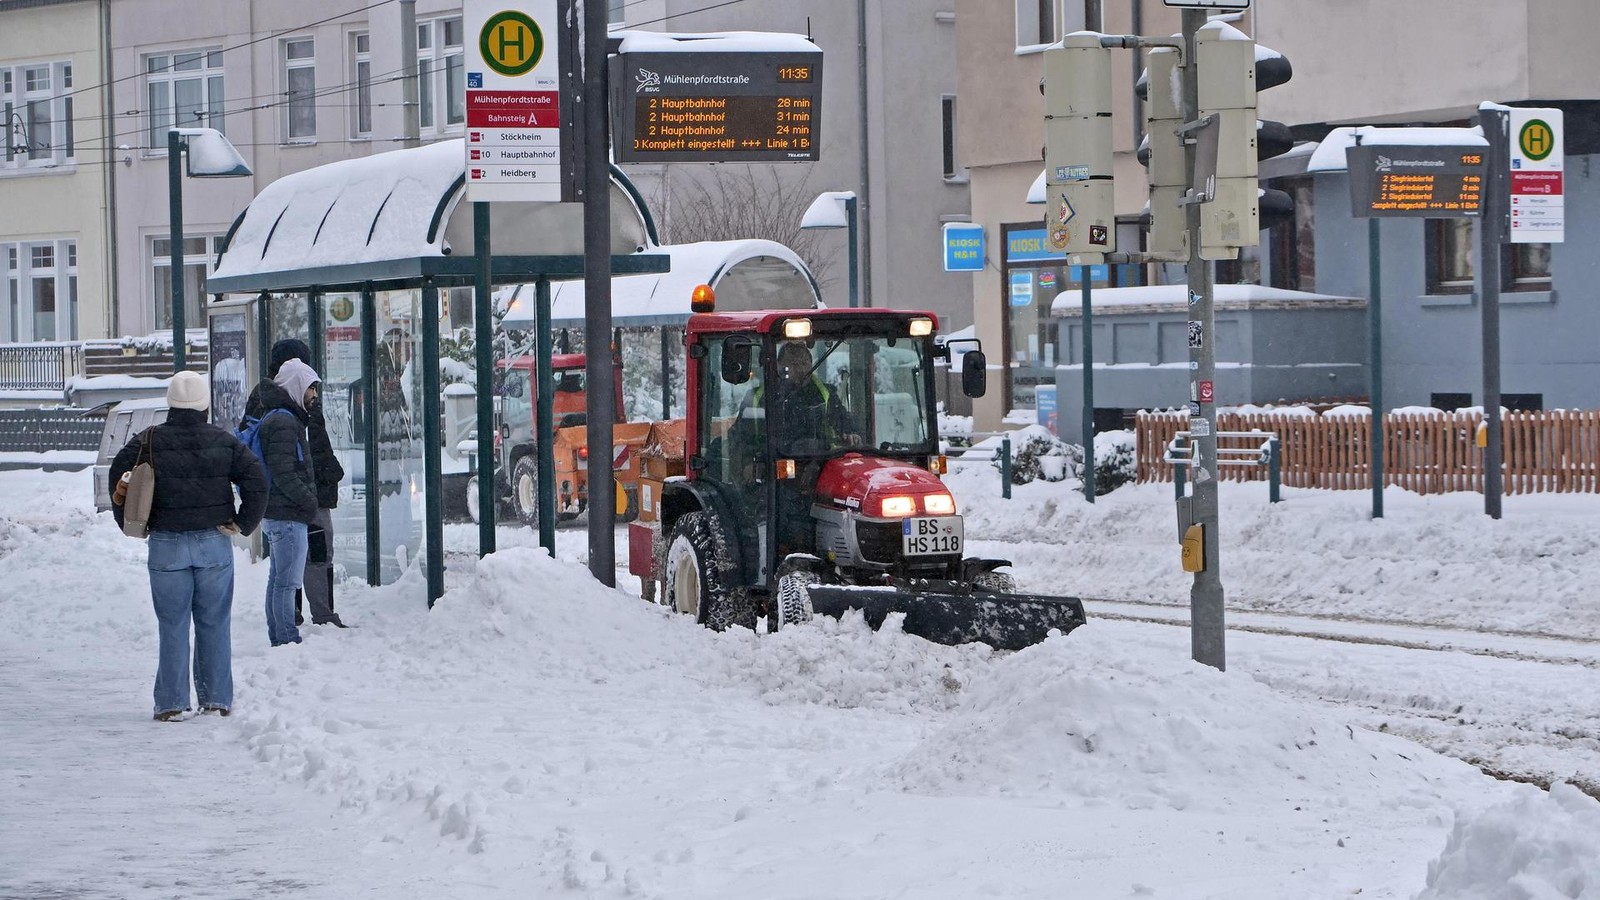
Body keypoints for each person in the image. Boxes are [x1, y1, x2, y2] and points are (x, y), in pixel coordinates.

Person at [109, 371, 267, 721]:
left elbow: (118, 473)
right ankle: (215, 701)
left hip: (166, 544)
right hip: (214, 542)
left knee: (172, 624)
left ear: (170, 404)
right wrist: (243, 522)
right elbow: (257, 479)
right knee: (213, 622)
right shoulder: (223, 441)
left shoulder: (148, 439)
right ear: (204, 405)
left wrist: (130, 522)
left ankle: (171, 703)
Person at [246, 339, 348, 628]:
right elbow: (304, 452)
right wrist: (312, 491)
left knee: (291, 562)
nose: (313, 390)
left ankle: (295, 615)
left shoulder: (269, 400)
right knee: (307, 555)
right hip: (299, 493)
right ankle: (301, 618)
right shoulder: (288, 407)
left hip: (294, 492)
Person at [251, 357, 321, 647]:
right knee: (287, 582)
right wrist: (308, 501)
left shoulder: (279, 416)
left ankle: (279, 636)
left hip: (278, 511)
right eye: (309, 388)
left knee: (278, 579)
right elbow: (284, 471)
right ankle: (286, 639)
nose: (314, 395)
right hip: (287, 513)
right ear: (295, 387)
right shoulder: (284, 421)